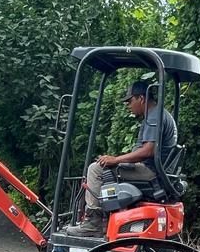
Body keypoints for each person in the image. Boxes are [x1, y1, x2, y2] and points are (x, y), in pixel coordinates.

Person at [65, 75, 178, 237]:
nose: (128, 106)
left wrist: (115, 160)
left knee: (96, 169)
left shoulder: (154, 116)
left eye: (129, 101)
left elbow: (148, 151)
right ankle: (106, 219)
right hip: (158, 171)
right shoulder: (159, 114)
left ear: (141, 98)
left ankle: (94, 224)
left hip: (151, 172)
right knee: (107, 166)